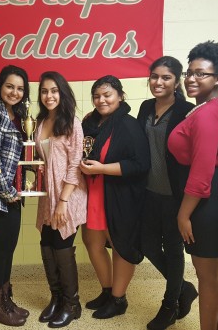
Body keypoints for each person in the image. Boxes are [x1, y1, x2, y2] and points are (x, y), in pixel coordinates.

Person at [167, 41, 218, 330]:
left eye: (201, 74)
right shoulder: (213, 106)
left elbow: (201, 173)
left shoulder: (208, 113)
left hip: (207, 197)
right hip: (213, 192)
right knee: (212, 272)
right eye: (189, 73)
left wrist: (183, 214)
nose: (192, 79)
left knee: (206, 275)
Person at [80, 75, 150, 320]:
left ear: (120, 96)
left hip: (120, 196)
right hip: (93, 193)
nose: (101, 100)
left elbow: (141, 164)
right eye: (97, 96)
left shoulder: (129, 125)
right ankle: (108, 291)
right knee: (92, 241)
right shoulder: (90, 123)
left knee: (120, 245)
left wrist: (101, 169)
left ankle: (119, 299)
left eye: (107, 95)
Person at [137, 56, 198, 330]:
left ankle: (170, 304)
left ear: (177, 81)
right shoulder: (145, 107)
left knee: (173, 250)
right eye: (154, 77)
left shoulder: (187, 110)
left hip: (175, 195)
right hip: (149, 192)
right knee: (148, 245)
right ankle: (184, 287)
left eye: (166, 77)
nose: (158, 82)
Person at [34, 71, 87, 328]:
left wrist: (63, 201)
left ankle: (71, 304)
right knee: (46, 243)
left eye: (54, 91)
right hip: (48, 194)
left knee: (62, 244)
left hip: (68, 193)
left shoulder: (72, 122)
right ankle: (56, 298)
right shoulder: (40, 121)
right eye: (44, 91)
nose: (49, 96)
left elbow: (75, 164)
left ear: (62, 92)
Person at [0, 65, 29, 326]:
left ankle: (6, 300)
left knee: (8, 249)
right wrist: (7, 191)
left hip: (13, 193)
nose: (14, 91)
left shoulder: (18, 114)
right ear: (0, 85)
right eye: (10, 86)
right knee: (0, 251)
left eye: (20, 88)